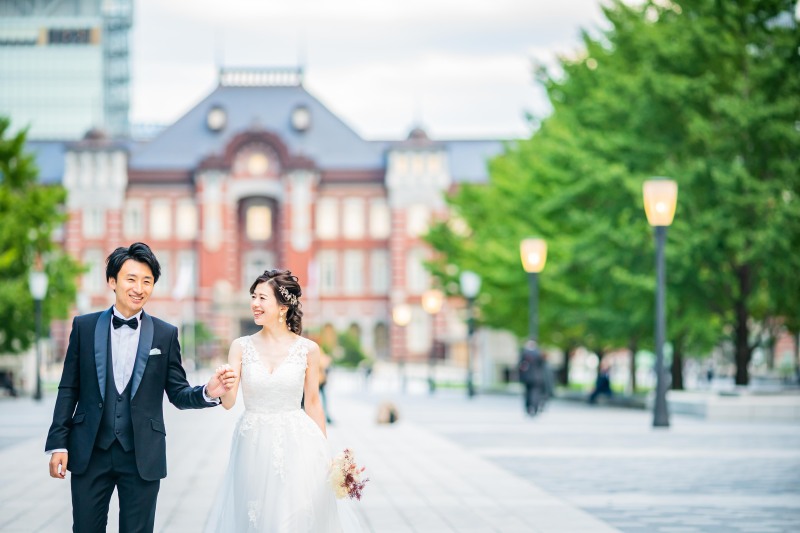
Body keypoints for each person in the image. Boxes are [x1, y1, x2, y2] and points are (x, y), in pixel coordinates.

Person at [44, 242, 237, 533]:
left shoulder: (165, 334)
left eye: (147, 281)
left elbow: (178, 393)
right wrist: (59, 443)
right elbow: (69, 387)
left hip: (142, 454)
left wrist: (208, 392)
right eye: (131, 279)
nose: (139, 288)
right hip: (90, 450)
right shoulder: (83, 327)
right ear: (113, 281)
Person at [204, 269, 362, 532]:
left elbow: (313, 404)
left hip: (297, 443)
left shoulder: (308, 349)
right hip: (252, 443)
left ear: (282, 306)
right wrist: (220, 387)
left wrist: (325, 455)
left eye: (262, 298)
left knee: (291, 516)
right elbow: (230, 402)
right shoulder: (240, 347)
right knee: (255, 516)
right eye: (253, 297)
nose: (254, 303)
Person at [518, 340, 548, 416]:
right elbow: (543, 365)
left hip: (527, 377)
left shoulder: (524, 353)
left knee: (528, 392)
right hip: (537, 377)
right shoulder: (538, 353)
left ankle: (528, 407)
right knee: (535, 393)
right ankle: (534, 407)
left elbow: (520, 366)